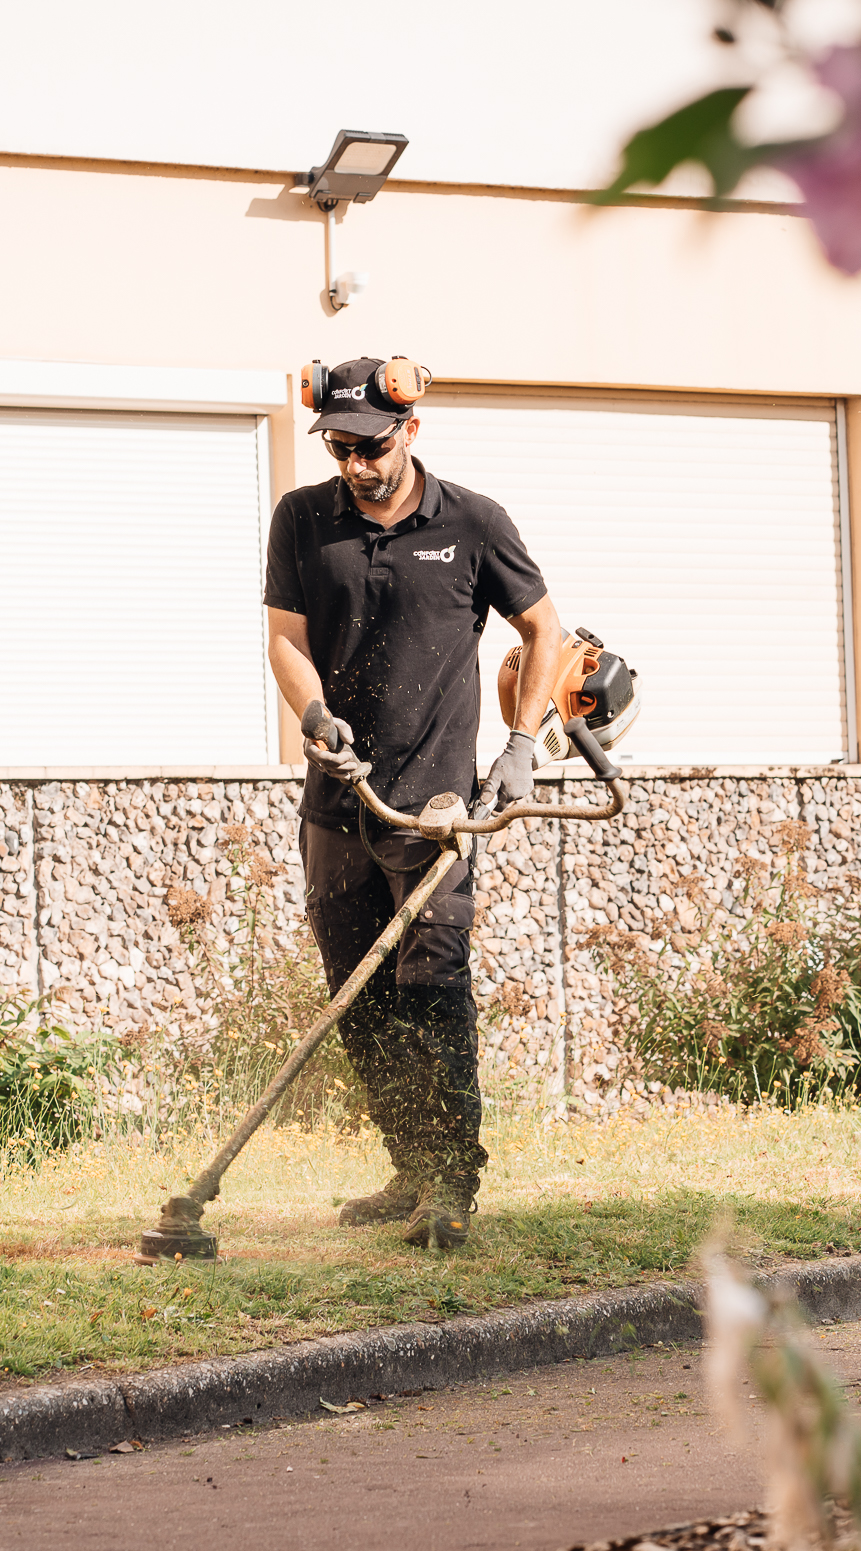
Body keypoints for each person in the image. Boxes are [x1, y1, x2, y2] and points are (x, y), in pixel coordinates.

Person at [263, 355, 566, 1249]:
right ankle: (408, 1165)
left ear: (410, 433)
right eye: (341, 448)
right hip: (338, 801)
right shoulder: (302, 520)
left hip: (437, 806)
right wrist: (315, 714)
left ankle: (452, 1183)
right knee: (359, 997)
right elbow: (285, 639)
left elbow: (545, 629)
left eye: (371, 447)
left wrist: (519, 745)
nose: (355, 465)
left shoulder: (473, 522)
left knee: (432, 988)